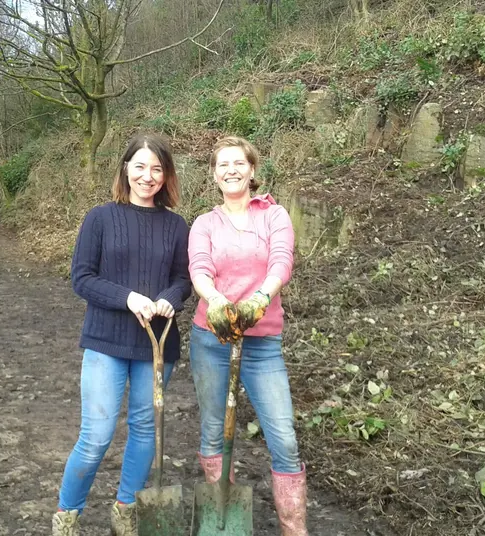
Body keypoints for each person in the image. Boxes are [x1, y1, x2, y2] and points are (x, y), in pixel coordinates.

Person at [51, 133, 191, 536]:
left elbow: (184, 278)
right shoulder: (100, 218)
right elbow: (82, 279)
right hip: (106, 341)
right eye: (140, 166)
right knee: (96, 435)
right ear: (125, 168)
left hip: (157, 344)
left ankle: (126, 508)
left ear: (166, 176)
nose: (148, 176)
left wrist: (168, 297)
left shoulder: (176, 225)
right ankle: (67, 514)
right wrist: (128, 297)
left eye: (157, 169)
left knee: (146, 429)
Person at [187, 136, 306, 536]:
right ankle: (226, 522)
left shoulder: (274, 216)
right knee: (214, 428)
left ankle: (294, 529)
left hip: (262, 345)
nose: (231, 170)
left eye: (238, 163)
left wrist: (260, 296)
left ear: (252, 170)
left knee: (284, 438)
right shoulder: (205, 223)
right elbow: (199, 268)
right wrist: (216, 300)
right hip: (212, 339)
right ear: (214, 174)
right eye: (223, 165)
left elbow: (281, 262)